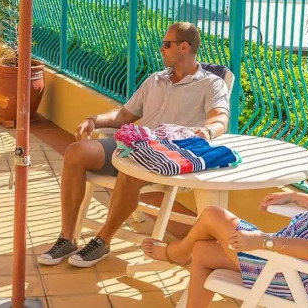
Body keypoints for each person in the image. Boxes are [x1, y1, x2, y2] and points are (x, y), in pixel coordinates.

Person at [140, 106, 308, 308]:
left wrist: (262, 241)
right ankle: (183, 253)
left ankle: (176, 253)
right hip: (284, 258)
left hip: (294, 274)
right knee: (202, 251)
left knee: (212, 215)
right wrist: (295, 198)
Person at [38, 22, 231, 268]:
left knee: (130, 171)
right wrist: (93, 120)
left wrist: (208, 131)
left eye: (166, 44)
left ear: (184, 47)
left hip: (165, 155)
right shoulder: (155, 80)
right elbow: (123, 116)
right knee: (76, 152)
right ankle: (67, 238)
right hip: (133, 144)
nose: (161, 49)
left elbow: (220, 118)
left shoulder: (211, 84)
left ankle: (102, 240)